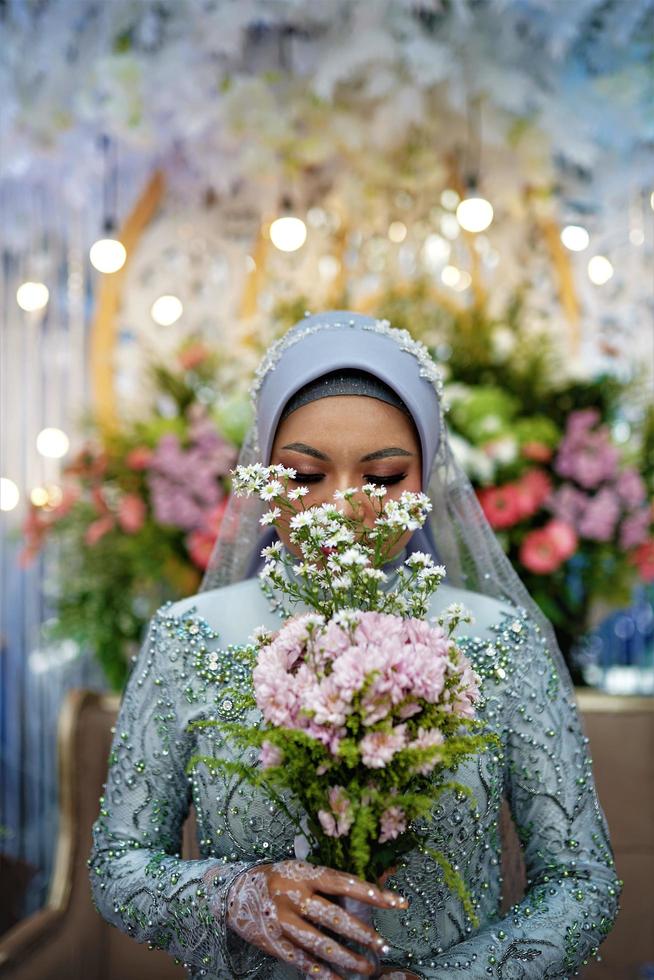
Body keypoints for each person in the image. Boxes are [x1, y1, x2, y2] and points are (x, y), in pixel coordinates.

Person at [89, 311, 620, 979]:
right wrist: (238, 894)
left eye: (384, 477)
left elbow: (581, 881)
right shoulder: (188, 638)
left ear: (427, 476)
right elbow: (119, 867)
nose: (344, 506)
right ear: (262, 471)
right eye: (305, 475)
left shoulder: (501, 641)